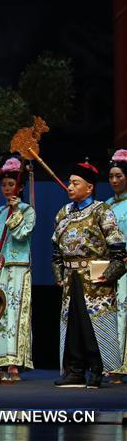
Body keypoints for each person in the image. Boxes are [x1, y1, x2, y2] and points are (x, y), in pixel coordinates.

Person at [52, 160, 125, 388]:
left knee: (92, 325)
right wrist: (59, 275)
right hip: (71, 277)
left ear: (90, 187)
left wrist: (109, 274)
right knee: (72, 325)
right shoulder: (63, 213)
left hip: (95, 278)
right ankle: (74, 371)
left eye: (76, 183)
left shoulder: (102, 211)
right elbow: (56, 250)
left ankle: (97, 369)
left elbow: (119, 250)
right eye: (69, 183)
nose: (70, 187)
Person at [0, 155, 36, 381]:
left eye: (11, 184)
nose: (7, 188)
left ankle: (14, 363)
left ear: (20, 187)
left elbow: (22, 235)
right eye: (4, 185)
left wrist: (17, 214)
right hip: (0, 269)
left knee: (16, 314)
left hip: (19, 269)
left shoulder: (28, 211)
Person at [106, 149, 127, 383]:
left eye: (119, 175)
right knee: (114, 315)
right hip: (112, 268)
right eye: (111, 176)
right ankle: (115, 366)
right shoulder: (107, 206)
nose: (114, 180)